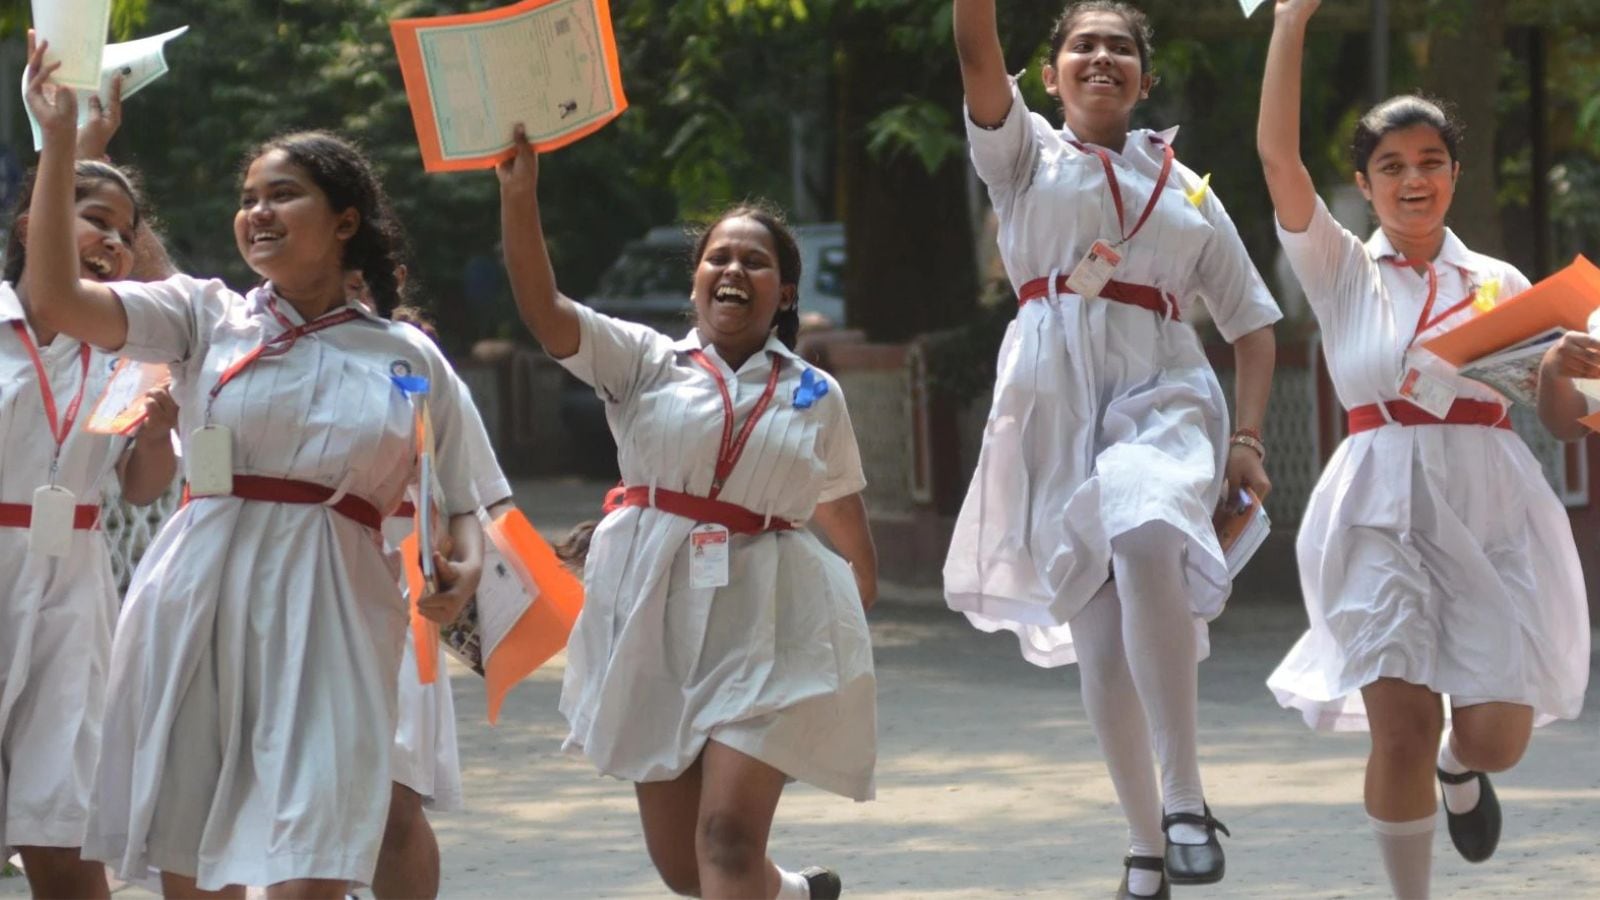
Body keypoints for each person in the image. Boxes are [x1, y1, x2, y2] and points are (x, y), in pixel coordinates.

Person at [22, 40, 486, 898]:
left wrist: (465, 565)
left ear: (344, 220)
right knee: (192, 862)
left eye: (283, 195)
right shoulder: (206, 315)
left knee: (316, 858)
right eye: (248, 200)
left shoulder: (406, 354)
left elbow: (466, 498)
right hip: (200, 596)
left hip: (339, 611)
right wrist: (60, 144)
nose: (258, 213)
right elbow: (57, 299)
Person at [944, 2, 1281, 897]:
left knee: (1140, 520)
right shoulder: (1021, 157)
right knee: (1099, 642)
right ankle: (1145, 847)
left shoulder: (1187, 188)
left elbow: (1252, 327)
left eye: (1122, 47)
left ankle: (1185, 797)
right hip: (1054, 405)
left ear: (1145, 75)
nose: (1103, 58)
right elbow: (974, 47)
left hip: (1164, 393)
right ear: (1049, 74)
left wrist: (1245, 437)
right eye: (1082, 45)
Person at [1257, 3, 1589, 897]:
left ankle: (1462, 770)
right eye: (1392, 166)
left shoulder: (1504, 286)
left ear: (1454, 174)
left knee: (1495, 736)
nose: (1414, 179)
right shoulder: (1339, 269)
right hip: (1377, 505)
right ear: (1364, 184)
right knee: (1395, 724)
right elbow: (1278, 161)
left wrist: (1564, 364)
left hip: (1491, 508)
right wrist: (1290, 21)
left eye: (1431, 162)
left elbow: (1560, 421)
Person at [498, 127, 878, 900]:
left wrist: (856, 608)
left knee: (727, 843)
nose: (733, 268)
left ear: (786, 292)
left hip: (770, 630)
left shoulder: (813, 393)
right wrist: (519, 198)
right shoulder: (640, 360)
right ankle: (797, 893)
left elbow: (839, 502)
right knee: (686, 872)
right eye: (719, 257)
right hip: (651, 621)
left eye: (755, 260)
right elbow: (545, 310)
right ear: (698, 279)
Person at [0, 84, 178, 900]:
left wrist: (156, 431)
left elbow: (143, 490)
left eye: (125, 235)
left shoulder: (126, 351)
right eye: (95, 221)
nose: (114, 242)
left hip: (74, 583)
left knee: (62, 822)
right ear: (30, 226)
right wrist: (71, 143)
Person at [361, 283, 517, 900]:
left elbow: (475, 496)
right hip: (300, 590)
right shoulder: (266, 349)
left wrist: (469, 568)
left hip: (407, 596)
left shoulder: (417, 365)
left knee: (395, 799)